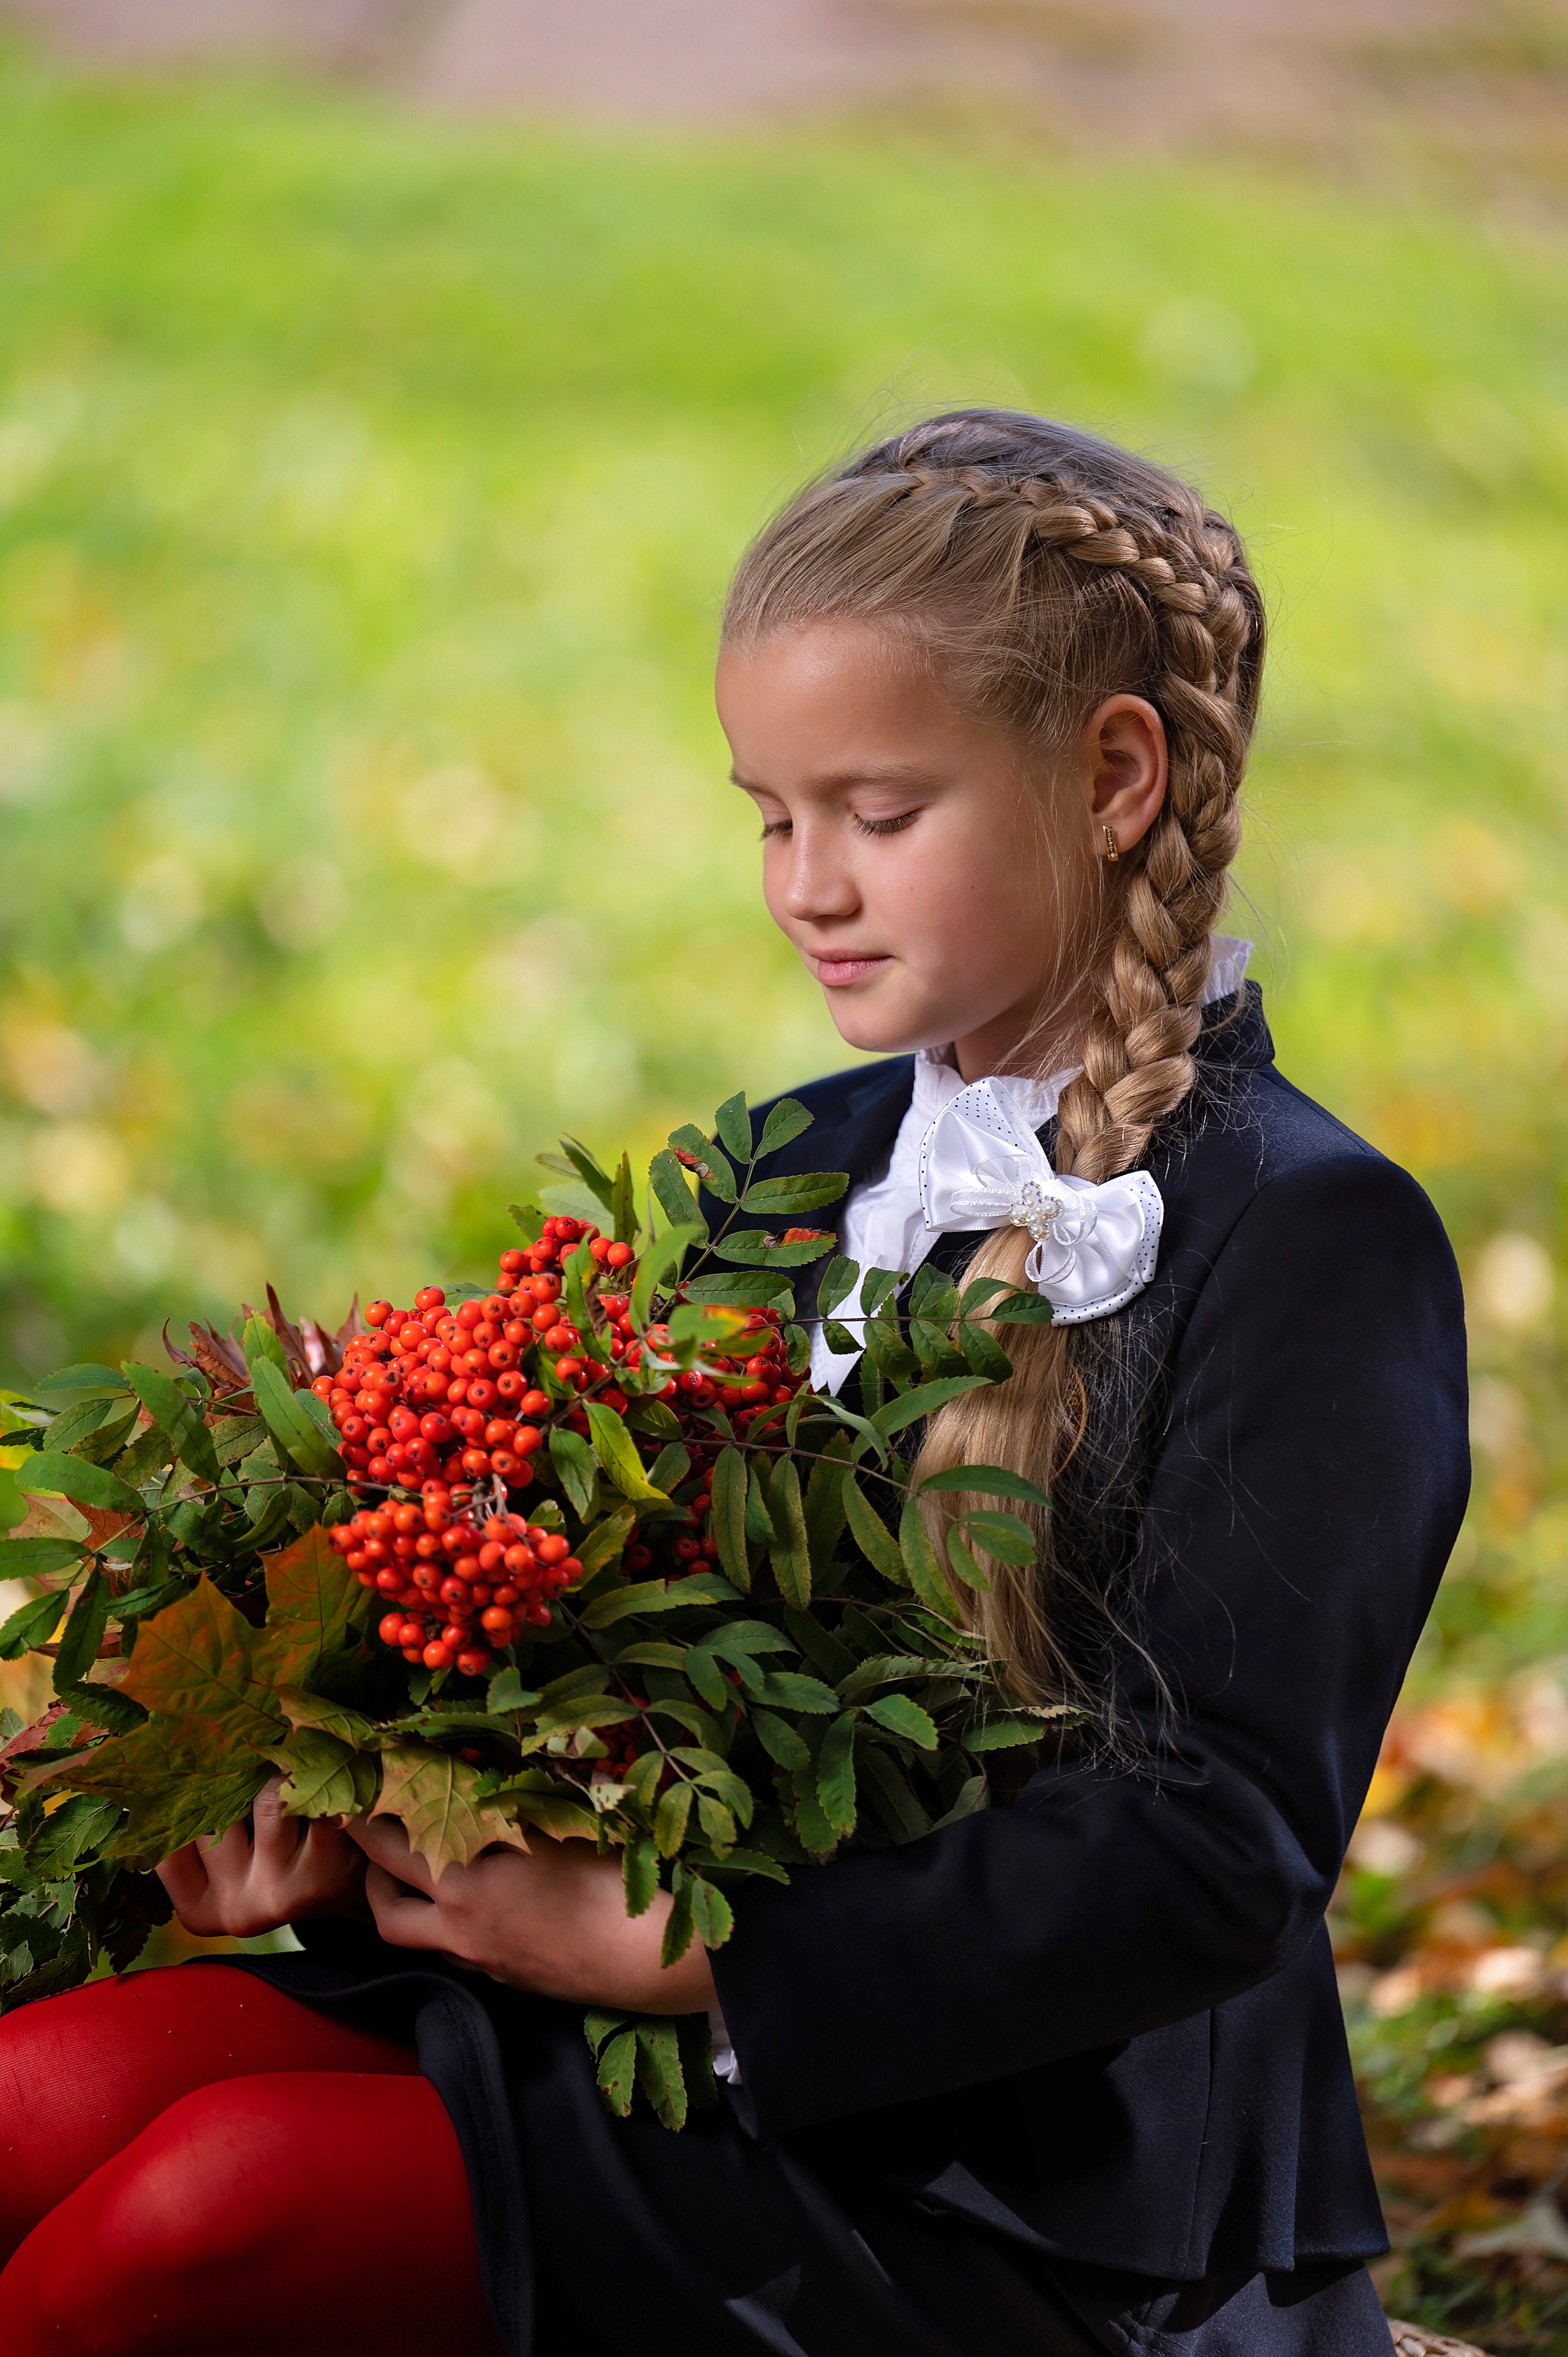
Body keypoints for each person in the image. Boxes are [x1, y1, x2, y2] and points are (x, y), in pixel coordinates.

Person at [0, 409, 1468, 2357]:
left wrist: (698, 1955)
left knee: (210, 2213)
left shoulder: (1307, 1235)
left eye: (878, 812)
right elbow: (627, 1636)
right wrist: (356, 1827)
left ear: (1115, 776)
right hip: (628, 2023)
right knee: (40, 2096)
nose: (806, 886)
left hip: (1024, 2170)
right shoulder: (795, 1164)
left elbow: (1217, 1849)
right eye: (772, 816)